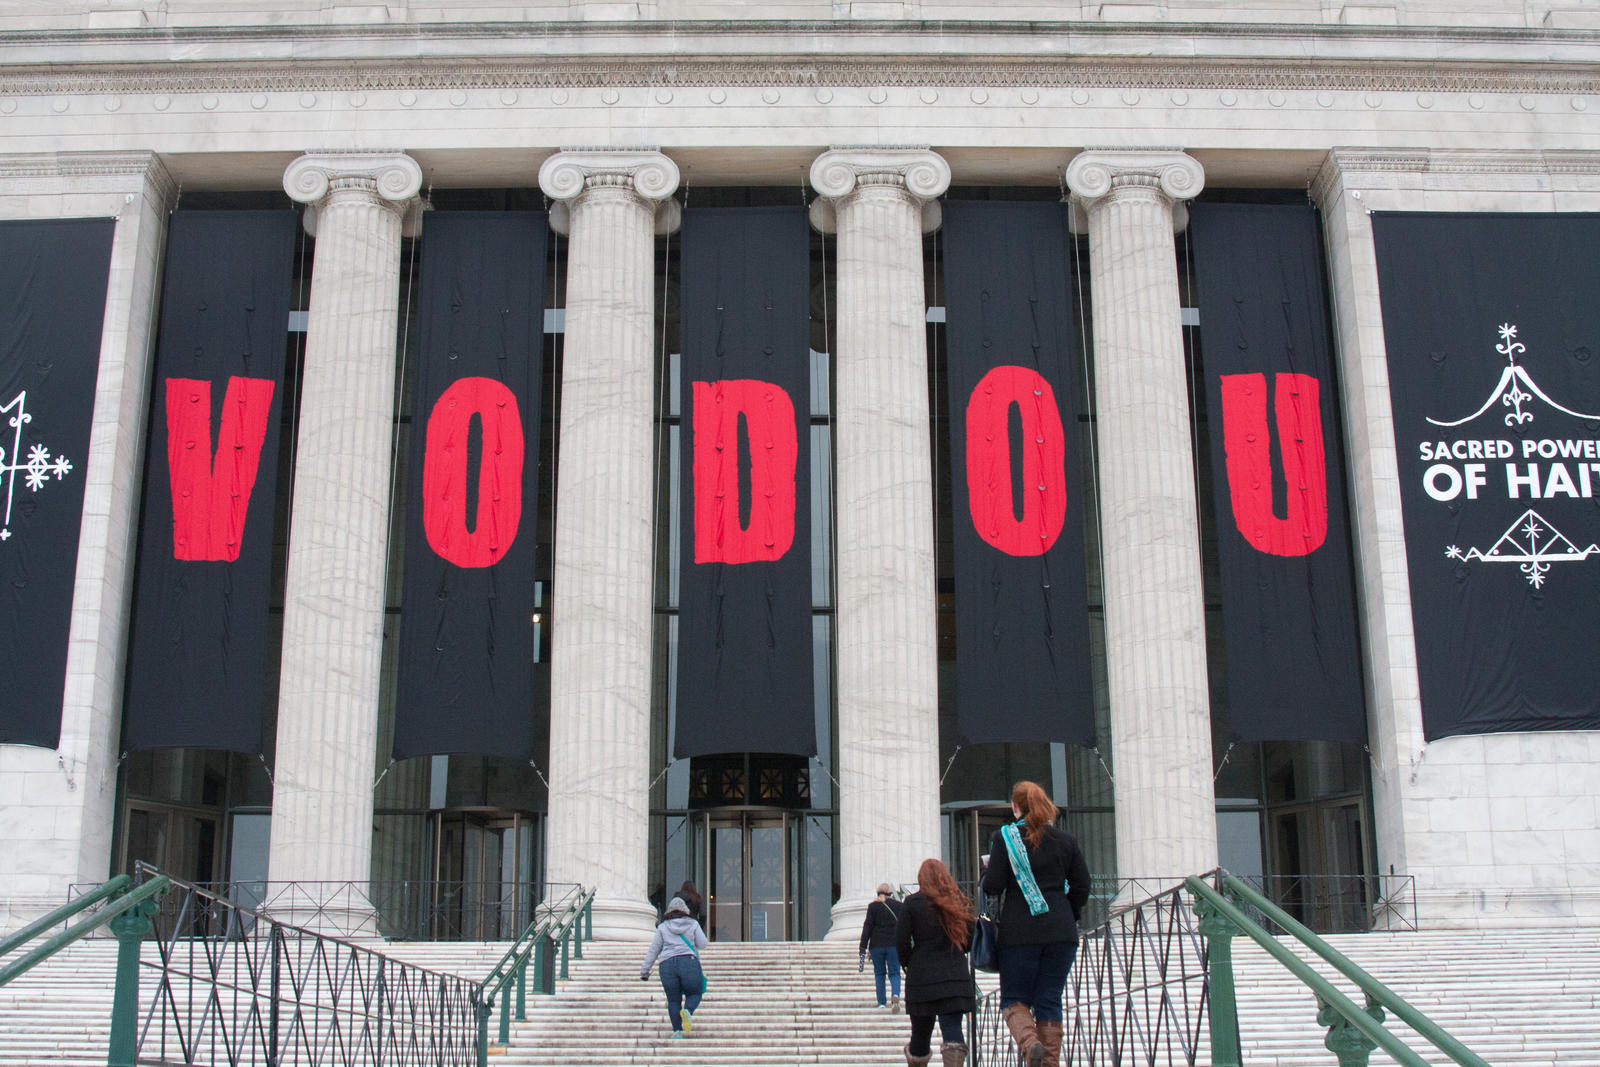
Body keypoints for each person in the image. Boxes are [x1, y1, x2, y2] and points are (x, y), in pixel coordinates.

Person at [979, 781, 1091, 1067]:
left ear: (1016, 807)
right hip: (1061, 932)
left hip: (1019, 932)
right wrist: (1069, 911)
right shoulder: (1066, 840)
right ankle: (1049, 1062)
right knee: (1049, 999)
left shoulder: (1004, 839)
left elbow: (993, 886)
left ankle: (1030, 1044)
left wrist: (989, 871)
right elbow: (1082, 884)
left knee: (1014, 998)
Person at [896, 858, 976, 1067]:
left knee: (920, 1034)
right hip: (954, 975)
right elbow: (969, 940)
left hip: (922, 976)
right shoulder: (957, 901)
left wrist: (908, 965)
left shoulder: (912, 903)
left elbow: (901, 942)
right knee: (953, 1029)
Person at [639, 896, 708, 1039]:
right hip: (688, 961)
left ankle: (677, 1031)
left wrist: (645, 970)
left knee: (673, 1000)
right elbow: (703, 944)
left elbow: (654, 949)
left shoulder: (663, 927)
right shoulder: (693, 924)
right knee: (694, 993)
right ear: (685, 910)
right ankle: (688, 1011)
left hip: (667, 964)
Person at [858, 881, 905, 1011]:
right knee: (895, 973)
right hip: (893, 944)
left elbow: (868, 926)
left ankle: (881, 1002)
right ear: (891, 893)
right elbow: (903, 927)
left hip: (876, 945)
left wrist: (863, 945)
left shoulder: (873, 907)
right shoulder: (899, 906)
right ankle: (895, 995)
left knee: (879, 974)